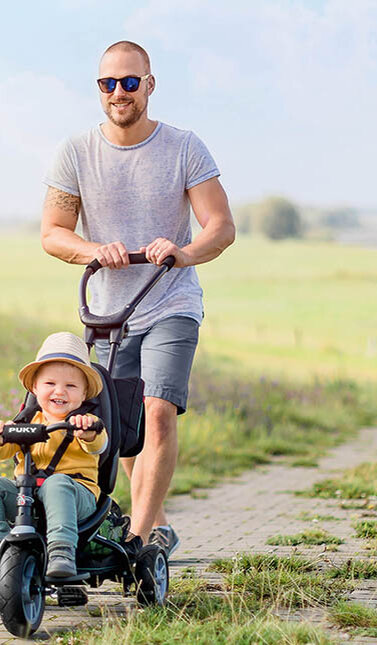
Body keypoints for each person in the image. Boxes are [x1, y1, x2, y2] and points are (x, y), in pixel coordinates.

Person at [40, 40, 235, 556]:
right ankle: (158, 521)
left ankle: (140, 538)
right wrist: (92, 251)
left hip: (170, 300)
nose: (119, 92)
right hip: (108, 311)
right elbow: (53, 233)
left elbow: (220, 226)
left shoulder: (184, 147)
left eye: (130, 82)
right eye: (109, 83)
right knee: (121, 422)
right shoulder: (76, 152)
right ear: (98, 89)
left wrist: (183, 252)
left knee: (158, 409)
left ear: (149, 85)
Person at [0, 332, 109, 579]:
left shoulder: (87, 422)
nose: (59, 392)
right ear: (35, 388)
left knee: (57, 483)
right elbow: (2, 452)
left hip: (76, 496)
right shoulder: (26, 421)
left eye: (71, 386)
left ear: (84, 394)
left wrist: (88, 434)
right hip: (27, 496)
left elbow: (97, 445)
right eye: (50, 384)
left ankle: (62, 550)